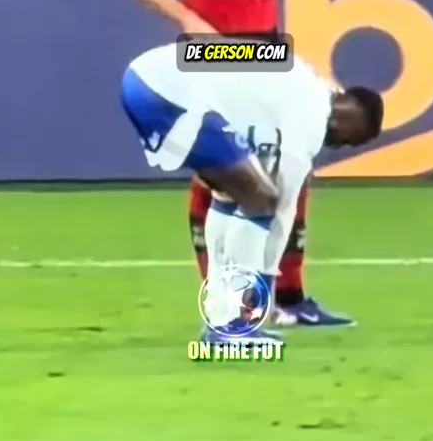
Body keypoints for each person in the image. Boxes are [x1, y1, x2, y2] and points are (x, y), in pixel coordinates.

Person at [114, 0, 353, 328]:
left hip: (265, 55)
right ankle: (223, 300)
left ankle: (289, 298)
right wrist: (186, 17)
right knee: (224, 175)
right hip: (214, 60)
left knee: (292, 169)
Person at [120, 39, 384, 343]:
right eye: (352, 140)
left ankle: (220, 320)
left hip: (148, 74)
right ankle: (231, 326)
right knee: (261, 198)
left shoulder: (301, 82)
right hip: (166, 93)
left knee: (231, 195)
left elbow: (237, 56)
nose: (340, 147)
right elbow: (283, 208)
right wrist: (265, 284)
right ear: (351, 118)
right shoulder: (312, 119)